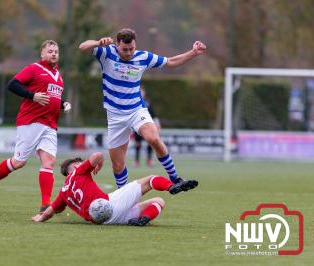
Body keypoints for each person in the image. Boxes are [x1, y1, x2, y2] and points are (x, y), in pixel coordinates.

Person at [79, 28, 206, 188]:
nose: (129, 52)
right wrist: (98, 43)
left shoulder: (143, 57)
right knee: (118, 165)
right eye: (125, 49)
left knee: (153, 138)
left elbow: (171, 61)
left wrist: (193, 52)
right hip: (115, 116)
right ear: (117, 45)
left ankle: (175, 178)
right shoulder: (107, 53)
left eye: (131, 48)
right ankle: (123, 199)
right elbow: (83, 47)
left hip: (136, 110)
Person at [0, 40, 72, 212]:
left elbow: (52, 99)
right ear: (42, 54)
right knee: (18, 162)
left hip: (50, 125)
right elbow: (12, 84)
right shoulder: (34, 69)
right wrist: (32, 95)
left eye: (56, 51)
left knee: (48, 162)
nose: (54, 54)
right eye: (50, 51)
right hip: (31, 122)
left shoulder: (58, 76)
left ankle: (45, 204)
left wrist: (63, 104)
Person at [31, 152, 198, 226]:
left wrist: (38, 218)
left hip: (103, 219)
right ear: (74, 166)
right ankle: (172, 186)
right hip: (109, 204)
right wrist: (100, 162)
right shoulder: (78, 172)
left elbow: (49, 212)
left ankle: (142, 219)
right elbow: (97, 155)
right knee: (150, 180)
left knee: (158, 201)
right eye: (79, 163)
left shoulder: (64, 193)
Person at [133, 86, 160, 168]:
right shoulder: (134, 102)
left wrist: (157, 123)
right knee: (138, 144)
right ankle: (136, 161)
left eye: (142, 92)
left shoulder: (147, 103)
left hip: (147, 126)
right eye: (140, 92)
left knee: (151, 142)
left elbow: (153, 114)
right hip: (137, 126)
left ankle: (149, 160)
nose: (141, 93)